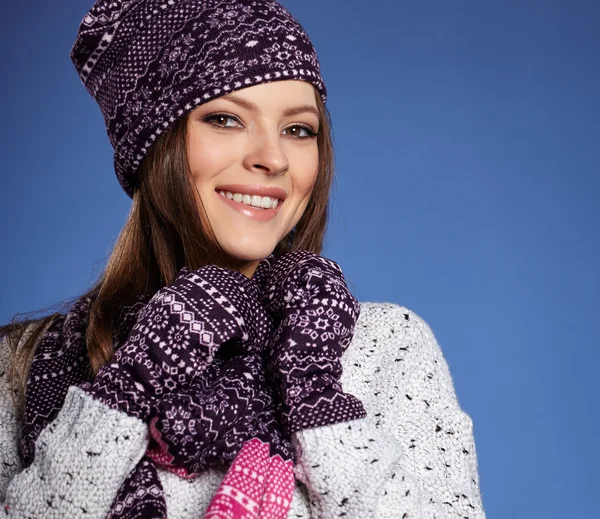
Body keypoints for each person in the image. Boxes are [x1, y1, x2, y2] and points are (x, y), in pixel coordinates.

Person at [0, 0, 486, 517]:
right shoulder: (20, 364)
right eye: (226, 118)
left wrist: (315, 393)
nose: (273, 158)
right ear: (154, 145)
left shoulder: (390, 347)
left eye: (298, 130)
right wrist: (128, 386)